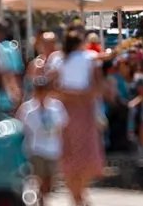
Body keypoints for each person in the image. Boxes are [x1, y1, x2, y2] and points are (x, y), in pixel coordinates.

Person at [54, 27, 105, 206]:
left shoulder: (58, 60)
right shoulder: (87, 59)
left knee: (69, 153)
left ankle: (76, 195)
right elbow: (98, 85)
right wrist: (83, 96)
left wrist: (70, 95)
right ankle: (79, 194)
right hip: (83, 109)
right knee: (85, 152)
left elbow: (53, 86)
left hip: (66, 108)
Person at [19, 88, 68, 199]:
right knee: (39, 176)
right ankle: (41, 197)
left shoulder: (56, 107)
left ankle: (44, 195)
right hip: (36, 148)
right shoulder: (28, 108)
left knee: (51, 178)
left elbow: (63, 127)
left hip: (53, 149)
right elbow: (23, 127)